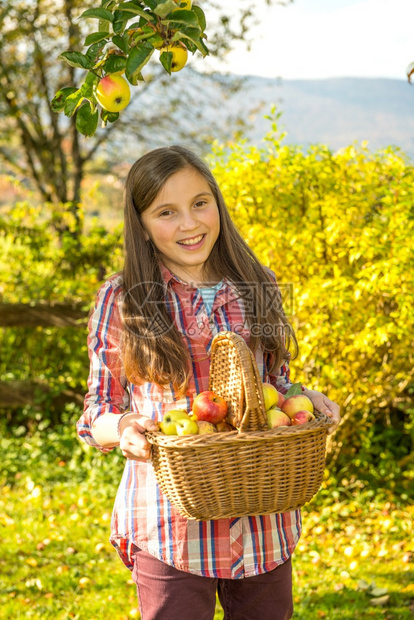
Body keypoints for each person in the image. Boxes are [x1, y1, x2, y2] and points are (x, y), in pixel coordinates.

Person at [77, 145, 341, 620]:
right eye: (166, 212)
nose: (190, 224)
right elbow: (97, 409)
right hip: (170, 524)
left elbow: (273, 384)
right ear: (140, 224)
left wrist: (304, 398)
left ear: (216, 202)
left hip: (262, 514)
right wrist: (125, 429)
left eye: (200, 202)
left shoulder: (257, 284)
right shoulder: (122, 300)